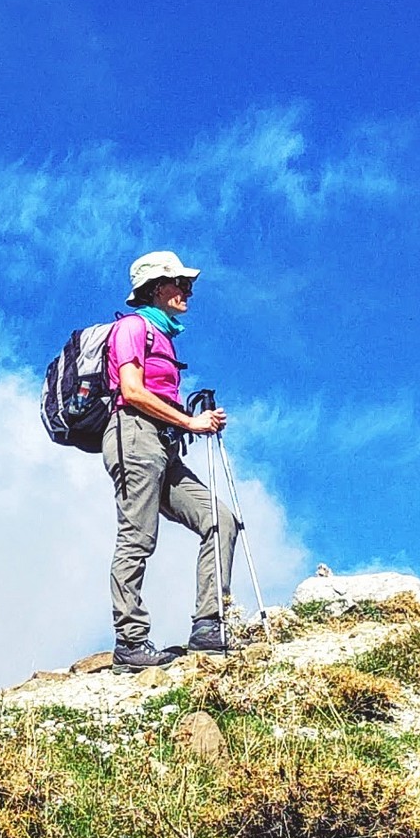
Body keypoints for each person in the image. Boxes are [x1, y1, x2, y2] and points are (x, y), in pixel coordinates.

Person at [104, 250, 240, 669]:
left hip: (161, 442)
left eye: (188, 285)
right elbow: (132, 390)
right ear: (157, 287)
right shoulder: (133, 327)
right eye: (181, 284)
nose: (188, 291)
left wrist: (192, 422)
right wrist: (190, 422)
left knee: (221, 519)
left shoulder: (162, 336)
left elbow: (155, 396)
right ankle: (130, 641)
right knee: (138, 536)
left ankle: (208, 624)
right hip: (133, 434)